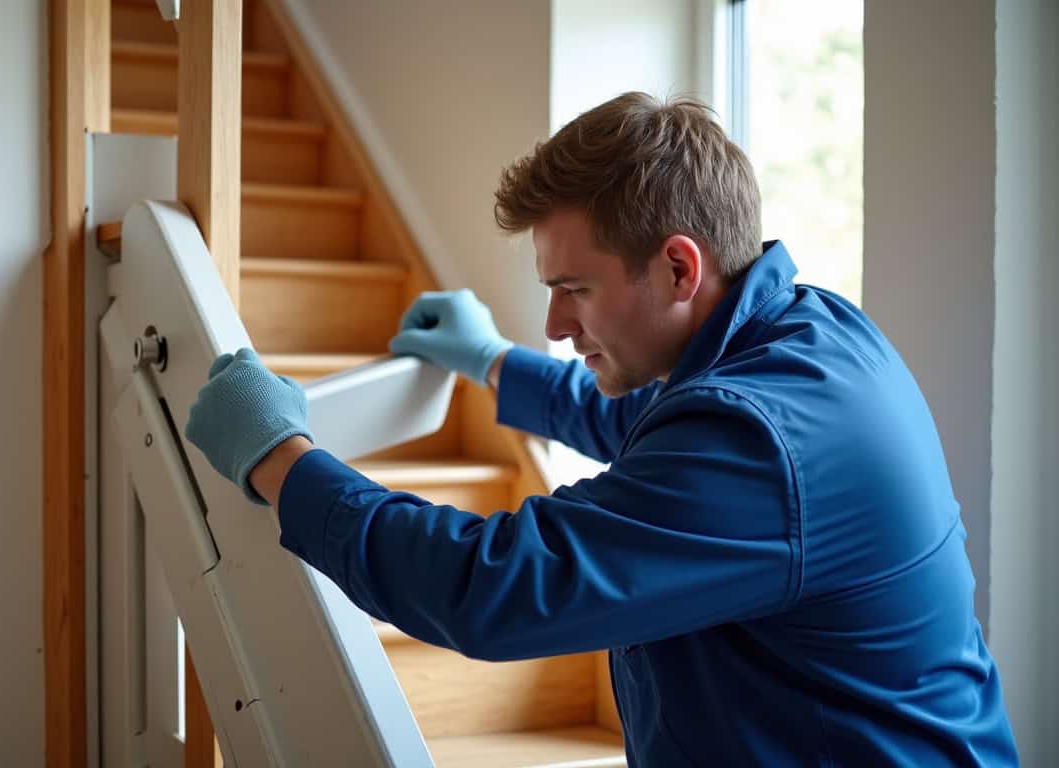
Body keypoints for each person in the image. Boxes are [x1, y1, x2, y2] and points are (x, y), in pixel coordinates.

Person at [183, 92, 1017, 765]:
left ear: (679, 266)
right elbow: (649, 424)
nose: (552, 322)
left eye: (575, 289)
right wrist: (491, 362)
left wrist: (280, 459)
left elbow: (492, 589)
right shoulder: (806, 333)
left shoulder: (758, 445)